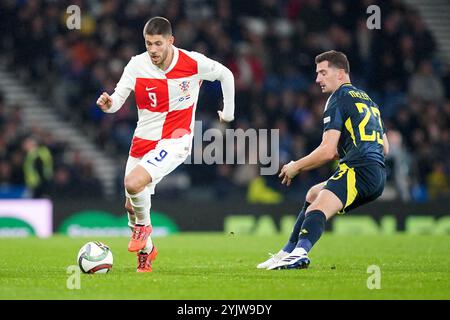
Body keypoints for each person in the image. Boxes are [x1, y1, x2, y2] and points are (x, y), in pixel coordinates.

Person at [96, 17, 235, 272]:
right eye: (148, 44)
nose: (153, 50)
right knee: (130, 205)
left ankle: (143, 228)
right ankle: (147, 251)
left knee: (132, 183)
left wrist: (228, 112)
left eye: (158, 44)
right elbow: (117, 99)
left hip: (175, 139)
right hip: (142, 141)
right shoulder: (137, 65)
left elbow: (226, 74)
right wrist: (108, 105)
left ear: (171, 41)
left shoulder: (192, 62)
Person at [257, 50, 389, 270]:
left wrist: (295, 166)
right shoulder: (369, 101)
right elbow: (384, 146)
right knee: (313, 194)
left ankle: (300, 253)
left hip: (358, 169)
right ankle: (286, 252)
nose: (317, 79)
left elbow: (327, 151)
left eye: (323, 72)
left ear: (340, 74)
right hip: (377, 174)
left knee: (316, 209)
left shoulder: (338, 98)